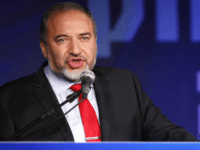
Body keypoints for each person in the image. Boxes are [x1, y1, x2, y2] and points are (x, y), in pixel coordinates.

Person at [0, 2, 198, 142]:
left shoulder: (125, 84)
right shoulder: (10, 100)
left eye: (84, 38)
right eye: (62, 39)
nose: (76, 50)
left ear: (95, 42)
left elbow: (167, 134)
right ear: (44, 47)